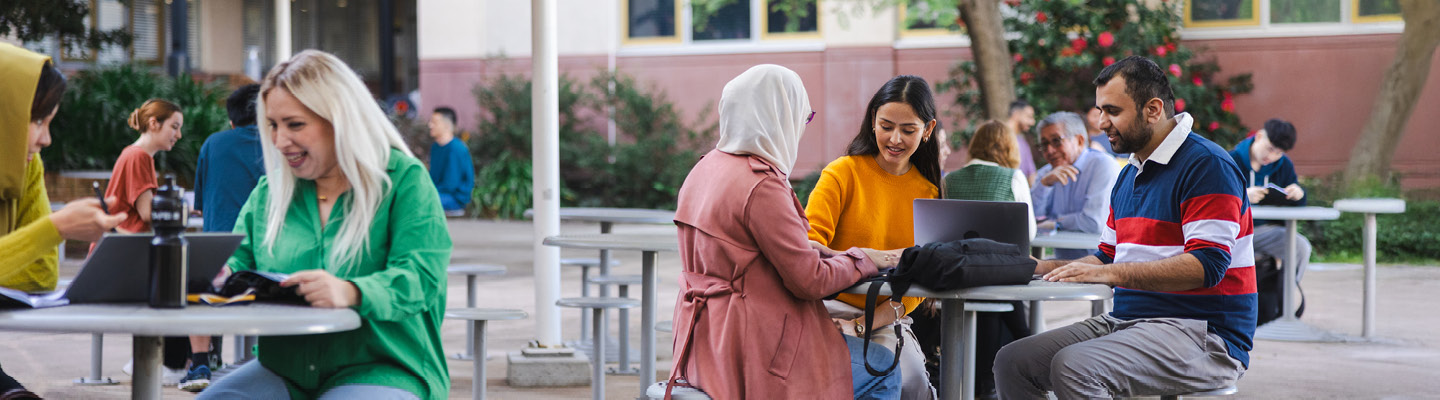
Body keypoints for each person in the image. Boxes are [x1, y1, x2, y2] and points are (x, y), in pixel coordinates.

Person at [994, 56, 1255, 399]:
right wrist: (1036, 267)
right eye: (1100, 110)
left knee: (1074, 366)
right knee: (1012, 361)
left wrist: (1112, 274)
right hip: (1129, 322)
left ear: (1153, 109)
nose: (1101, 123)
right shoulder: (1129, 173)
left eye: (1113, 111)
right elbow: (1106, 259)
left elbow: (1207, 266)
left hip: (1206, 334)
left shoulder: (1207, 165)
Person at [196, 50, 452, 400]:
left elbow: (422, 277)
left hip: (384, 366)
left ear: (341, 119)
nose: (279, 141)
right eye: (272, 125)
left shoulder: (404, 181)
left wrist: (351, 292)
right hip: (286, 368)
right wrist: (220, 273)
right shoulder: (269, 191)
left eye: (294, 124)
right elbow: (239, 260)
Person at [669, 64, 902, 400]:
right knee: (882, 365)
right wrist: (863, 258)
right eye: (801, 117)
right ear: (776, 115)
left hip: (703, 342)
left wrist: (830, 253)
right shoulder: (761, 184)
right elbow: (810, 281)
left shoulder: (704, 169)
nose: (801, 128)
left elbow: (747, 249)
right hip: (755, 349)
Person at [0, 41, 126, 400]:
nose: (46, 139)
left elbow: (40, 275)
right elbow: (32, 259)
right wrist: (56, 228)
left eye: (49, 122)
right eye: (37, 120)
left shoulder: (26, 168)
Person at [806, 75, 942, 400]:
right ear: (872, 122)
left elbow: (915, 291)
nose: (895, 138)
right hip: (824, 308)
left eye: (908, 130)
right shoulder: (842, 174)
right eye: (886, 126)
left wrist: (862, 325)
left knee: (911, 382)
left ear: (928, 130)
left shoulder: (929, 194)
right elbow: (808, 249)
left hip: (885, 317)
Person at [180, 83, 265, 392]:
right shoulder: (275, 145)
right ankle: (255, 360)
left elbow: (199, 206)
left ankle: (200, 361)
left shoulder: (213, 144)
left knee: (196, 290)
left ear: (232, 120)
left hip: (215, 248)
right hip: (258, 249)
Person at [940, 120, 1035, 397]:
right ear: (1008, 146)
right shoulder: (1013, 177)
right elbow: (1028, 231)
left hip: (955, 275)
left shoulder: (949, 179)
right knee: (1009, 309)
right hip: (999, 275)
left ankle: (982, 382)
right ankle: (995, 380)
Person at [105, 98, 194, 384]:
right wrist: (182, 207)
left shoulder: (135, 155)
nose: (178, 135)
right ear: (154, 124)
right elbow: (148, 213)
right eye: (174, 127)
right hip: (126, 251)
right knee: (183, 283)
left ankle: (169, 359)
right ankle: (172, 363)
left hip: (121, 250)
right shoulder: (140, 156)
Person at [1031, 111, 1121, 260]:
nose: (1050, 150)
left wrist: (1054, 223)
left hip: (1102, 263)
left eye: (1056, 141)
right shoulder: (1045, 174)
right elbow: (1030, 220)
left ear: (1079, 140)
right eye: (1044, 144)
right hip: (1062, 264)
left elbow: (1093, 223)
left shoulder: (1103, 165)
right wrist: (1044, 186)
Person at [1229, 119, 1310, 281]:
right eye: (1270, 149)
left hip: (1265, 232)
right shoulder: (1232, 160)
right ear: (1259, 136)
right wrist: (1243, 195)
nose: (1271, 156)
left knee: (1300, 247)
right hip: (1234, 232)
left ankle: (1283, 300)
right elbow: (1216, 198)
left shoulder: (1284, 165)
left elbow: (1296, 204)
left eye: (1278, 153)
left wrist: (1299, 195)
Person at [944, 120, 1037, 238]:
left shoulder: (948, 179)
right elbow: (1029, 234)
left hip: (956, 255)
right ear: (1010, 148)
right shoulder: (1015, 178)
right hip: (1001, 254)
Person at [426, 106, 473, 217]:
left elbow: (451, 184)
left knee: (419, 200)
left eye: (434, 122)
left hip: (454, 198)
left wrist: (427, 191)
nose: (430, 125)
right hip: (439, 193)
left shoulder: (456, 148)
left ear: (447, 125)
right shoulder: (435, 147)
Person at [1004, 100, 1038, 182]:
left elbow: (1032, 176)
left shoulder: (1023, 143)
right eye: (1029, 117)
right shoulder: (997, 138)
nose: (1032, 122)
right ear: (1016, 114)